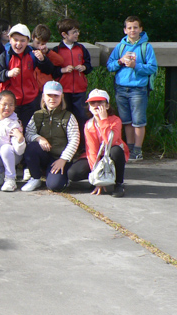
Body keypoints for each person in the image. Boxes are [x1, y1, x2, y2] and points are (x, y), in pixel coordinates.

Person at [106, 16, 157, 162]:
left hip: (138, 89)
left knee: (138, 121)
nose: (132, 30)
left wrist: (136, 66)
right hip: (121, 88)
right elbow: (110, 65)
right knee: (126, 121)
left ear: (141, 29)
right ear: (125, 30)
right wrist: (120, 61)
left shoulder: (146, 47)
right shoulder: (120, 47)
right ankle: (128, 147)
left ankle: (138, 150)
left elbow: (152, 67)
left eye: (135, 27)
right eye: (129, 28)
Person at [0, 23, 54, 128]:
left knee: (28, 131)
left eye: (22, 40)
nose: (19, 44)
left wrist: (43, 60)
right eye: (15, 40)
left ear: (28, 41)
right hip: (9, 104)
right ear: (10, 39)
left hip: (30, 102)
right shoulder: (5, 55)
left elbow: (49, 70)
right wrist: (7, 73)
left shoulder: (33, 54)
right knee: (8, 133)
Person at [67, 89, 129, 197]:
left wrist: (104, 120)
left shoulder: (115, 120)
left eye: (100, 102)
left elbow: (111, 141)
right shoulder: (88, 124)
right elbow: (92, 150)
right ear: (89, 108)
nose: (96, 106)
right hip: (99, 157)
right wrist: (97, 178)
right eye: (92, 103)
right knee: (72, 173)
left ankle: (119, 184)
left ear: (107, 106)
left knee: (117, 150)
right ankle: (97, 180)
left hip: (112, 154)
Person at [21, 81, 80, 192]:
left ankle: (59, 177)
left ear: (61, 97)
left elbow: (74, 140)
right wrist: (39, 138)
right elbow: (28, 134)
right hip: (44, 155)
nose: (52, 99)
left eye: (56, 96)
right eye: (49, 95)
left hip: (60, 158)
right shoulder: (37, 115)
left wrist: (63, 159)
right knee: (32, 147)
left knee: (54, 186)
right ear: (43, 96)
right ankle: (36, 178)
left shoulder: (68, 116)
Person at [53, 18, 92, 133]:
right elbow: (53, 71)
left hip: (80, 90)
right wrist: (63, 70)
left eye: (77, 31)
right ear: (64, 34)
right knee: (65, 118)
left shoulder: (81, 48)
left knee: (82, 117)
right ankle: (66, 145)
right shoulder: (57, 50)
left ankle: (83, 146)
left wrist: (84, 67)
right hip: (64, 90)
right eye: (74, 32)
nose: (77, 34)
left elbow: (89, 66)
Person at [30, 24, 65, 89]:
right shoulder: (28, 51)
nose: (40, 46)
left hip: (46, 86)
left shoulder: (46, 52)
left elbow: (60, 61)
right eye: (37, 43)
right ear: (33, 37)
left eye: (43, 44)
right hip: (33, 87)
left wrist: (48, 52)